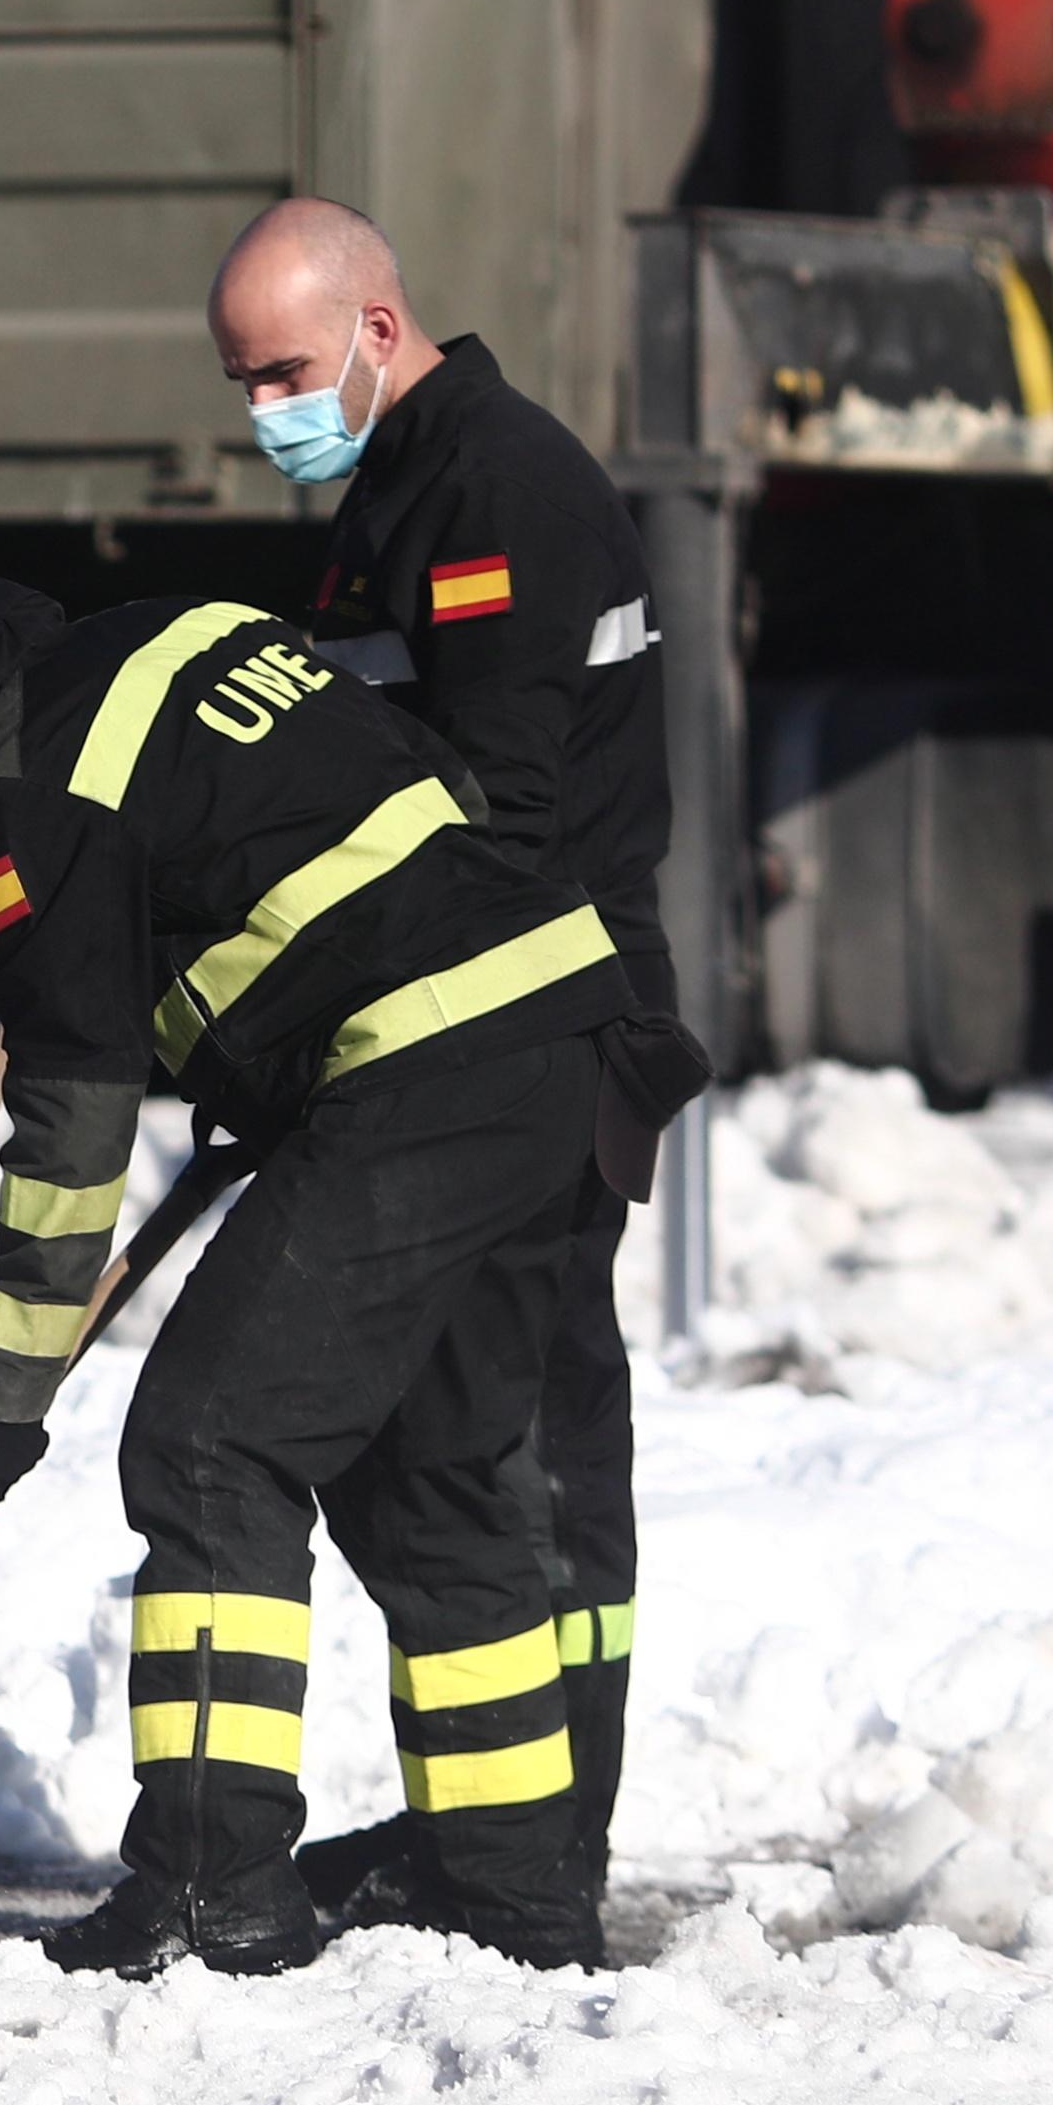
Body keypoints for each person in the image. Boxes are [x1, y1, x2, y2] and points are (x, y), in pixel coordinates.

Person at [0, 537, 635, 1974]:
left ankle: (213, 1884)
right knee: (434, 1470)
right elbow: (401, 802)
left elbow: (75, 1124)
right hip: (557, 1035)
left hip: (426, 1064)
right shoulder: (165, 633)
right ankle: (515, 1891)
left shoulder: (24, 793)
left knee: (210, 1442)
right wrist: (265, 1047)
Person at [208, 197, 696, 1936]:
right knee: (457, 1435)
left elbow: (490, 803)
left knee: (532, 1437)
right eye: (243, 376)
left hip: (547, 1019)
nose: (265, 405)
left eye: (284, 367)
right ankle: (486, 1831)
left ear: (379, 328)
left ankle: (546, 1846)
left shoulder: (494, 489)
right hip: (466, 1020)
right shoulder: (397, 496)